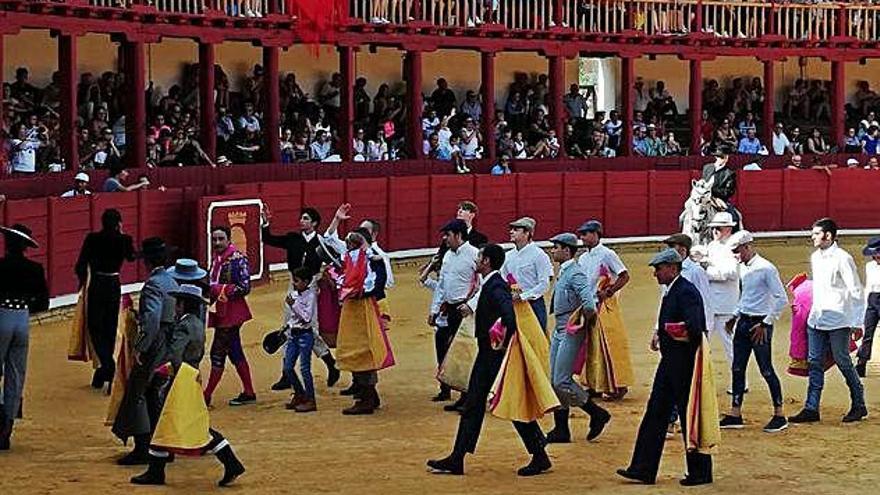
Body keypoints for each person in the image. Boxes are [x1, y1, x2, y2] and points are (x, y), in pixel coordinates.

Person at [427, 244, 551, 477]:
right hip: (489, 354)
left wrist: (499, 341)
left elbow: (509, 317)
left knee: (504, 402)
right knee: (475, 403)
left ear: (486, 262)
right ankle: (458, 457)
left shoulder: (496, 286)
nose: (477, 259)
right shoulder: (491, 283)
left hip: (494, 356)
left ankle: (539, 454)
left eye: (480, 256)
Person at [130, 283, 245, 487]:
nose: (175, 306)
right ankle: (230, 462)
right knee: (179, 423)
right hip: (191, 375)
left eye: (177, 303)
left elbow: (175, 354)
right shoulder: (197, 323)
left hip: (181, 379)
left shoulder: (183, 326)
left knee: (171, 421)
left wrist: (165, 371)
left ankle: (157, 472)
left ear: (182, 305)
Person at [617, 249, 715, 486]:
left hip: (685, 364)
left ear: (672, 267)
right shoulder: (674, 290)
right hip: (670, 362)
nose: (655, 274)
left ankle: (701, 472)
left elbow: (695, 327)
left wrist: (674, 331)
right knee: (656, 412)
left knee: (689, 414)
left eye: (658, 269)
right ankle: (643, 469)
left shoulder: (686, 291)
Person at [789, 218, 867, 424]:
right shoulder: (816, 257)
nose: (812, 237)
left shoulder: (843, 258)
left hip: (839, 321)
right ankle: (811, 407)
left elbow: (856, 291)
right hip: (817, 318)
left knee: (843, 362)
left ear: (828, 236)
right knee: (814, 362)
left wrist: (858, 322)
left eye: (816, 233)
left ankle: (859, 403)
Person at [111, 237, 179, 465]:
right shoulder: (172, 280)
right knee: (154, 393)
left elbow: (152, 320)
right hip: (170, 341)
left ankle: (142, 447)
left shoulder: (153, 284)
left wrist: (140, 347)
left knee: (138, 391)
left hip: (156, 341)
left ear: (147, 263)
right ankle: (161, 445)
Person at [262, 207, 340, 391]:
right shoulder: (292, 239)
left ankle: (329, 363)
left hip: (312, 287)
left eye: (306, 219)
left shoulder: (321, 243)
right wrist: (266, 223)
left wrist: (326, 277)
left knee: (308, 328)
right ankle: (288, 373)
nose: (301, 221)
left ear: (314, 223)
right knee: (289, 326)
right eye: (301, 218)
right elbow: (268, 239)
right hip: (293, 284)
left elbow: (336, 262)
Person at [719, 231, 789, 433]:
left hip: (760, 324)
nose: (736, 255)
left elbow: (781, 298)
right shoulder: (744, 268)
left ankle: (779, 414)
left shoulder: (767, 268)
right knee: (737, 367)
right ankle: (735, 413)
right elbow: (747, 296)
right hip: (744, 321)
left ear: (747, 247)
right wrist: (734, 315)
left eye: (737, 251)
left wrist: (766, 323)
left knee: (766, 369)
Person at [544, 233, 611, 444]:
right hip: (559, 329)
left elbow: (589, 304)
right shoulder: (565, 271)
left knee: (561, 380)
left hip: (570, 331)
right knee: (555, 381)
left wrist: (581, 325)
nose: (553, 251)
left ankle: (596, 412)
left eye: (556, 247)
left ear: (567, 250)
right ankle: (562, 429)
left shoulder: (575, 274)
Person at [74, 209, 136, 390]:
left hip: (97, 284)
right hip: (113, 284)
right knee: (109, 326)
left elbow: (80, 265)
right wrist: (122, 234)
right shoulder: (124, 240)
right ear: (119, 223)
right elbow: (131, 258)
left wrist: (83, 282)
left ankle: (106, 366)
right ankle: (104, 370)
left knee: (95, 326)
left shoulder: (92, 238)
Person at [0, 224, 49, 451]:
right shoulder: (35, 269)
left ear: (7, 245)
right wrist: (24, 305)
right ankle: (6, 429)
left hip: (1, 317)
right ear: (25, 247)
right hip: (22, 320)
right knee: (16, 374)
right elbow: (43, 303)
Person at [335, 228, 394, 415]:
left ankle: (366, 398)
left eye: (353, 243)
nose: (349, 246)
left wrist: (358, 291)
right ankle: (370, 395)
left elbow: (379, 282)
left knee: (364, 350)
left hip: (364, 307)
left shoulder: (373, 259)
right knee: (357, 349)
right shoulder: (351, 258)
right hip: (353, 308)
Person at [422, 219, 479, 407]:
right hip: (448, 309)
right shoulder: (447, 256)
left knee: (462, 352)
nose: (445, 238)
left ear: (458, 235)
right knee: (442, 347)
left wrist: (470, 305)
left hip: (464, 309)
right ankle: (445, 387)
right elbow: (442, 286)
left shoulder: (474, 254)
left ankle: (465, 396)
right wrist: (434, 309)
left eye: (448, 235)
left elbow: (482, 284)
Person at [576, 220, 634, 398]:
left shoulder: (608, 254)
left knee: (608, 344)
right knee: (591, 345)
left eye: (585, 234)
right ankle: (595, 384)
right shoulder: (583, 258)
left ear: (595, 234)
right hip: (588, 305)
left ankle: (618, 385)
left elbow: (624, 276)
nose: (582, 237)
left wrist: (609, 291)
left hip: (604, 307)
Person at [203, 226, 256, 407]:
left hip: (232, 313)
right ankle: (249, 392)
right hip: (222, 311)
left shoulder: (237, 259)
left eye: (221, 239)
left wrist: (218, 289)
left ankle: (207, 394)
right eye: (215, 239)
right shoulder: (218, 259)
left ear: (228, 240)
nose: (217, 243)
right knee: (234, 350)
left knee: (218, 352)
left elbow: (245, 287)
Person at [703, 212, 740, 387]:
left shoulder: (734, 246)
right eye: (713, 228)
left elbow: (731, 274)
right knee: (702, 345)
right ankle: (701, 381)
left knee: (731, 348)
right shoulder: (711, 246)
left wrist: (707, 272)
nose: (715, 231)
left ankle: (739, 382)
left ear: (728, 229)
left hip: (727, 306)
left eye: (719, 228)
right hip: (710, 304)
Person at [501, 217, 553, 330]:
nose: (511, 232)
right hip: (513, 304)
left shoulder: (540, 255)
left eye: (516, 229)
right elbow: (503, 279)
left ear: (527, 233)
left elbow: (544, 284)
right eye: (511, 229)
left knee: (535, 342)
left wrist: (522, 296)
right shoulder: (508, 256)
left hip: (533, 304)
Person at [282, 267, 319, 412]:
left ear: (306, 282)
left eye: (297, 281)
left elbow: (306, 318)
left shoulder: (310, 296)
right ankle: (300, 394)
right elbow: (294, 317)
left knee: (304, 369)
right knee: (288, 367)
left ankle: (311, 400)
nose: (294, 283)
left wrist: (294, 305)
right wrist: (287, 327)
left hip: (305, 335)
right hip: (293, 335)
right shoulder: (295, 294)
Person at [857, 236, 880, 377]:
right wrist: (865, 306)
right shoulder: (869, 266)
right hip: (872, 299)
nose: (876, 256)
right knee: (868, 333)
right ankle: (861, 363)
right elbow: (868, 287)